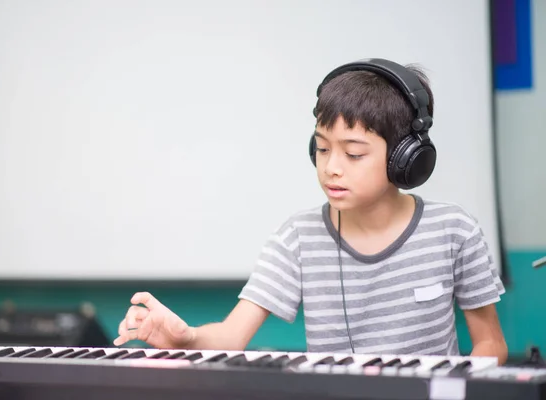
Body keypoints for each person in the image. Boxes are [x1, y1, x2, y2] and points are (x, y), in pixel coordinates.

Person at [113, 58, 508, 365]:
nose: (331, 166)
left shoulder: (454, 230)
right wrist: (186, 339)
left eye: (353, 153)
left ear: (405, 159)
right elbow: (231, 338)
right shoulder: (298, 238)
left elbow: (490, 341)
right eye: (321, 148)